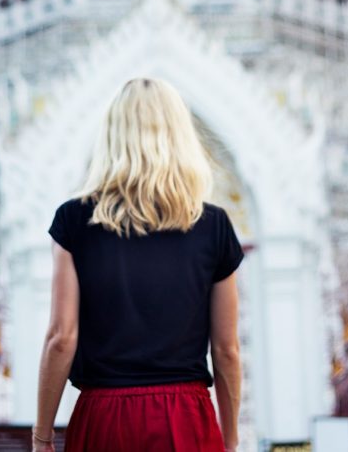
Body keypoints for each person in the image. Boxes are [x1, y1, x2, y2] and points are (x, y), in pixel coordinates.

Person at [33, 77, 244, 452]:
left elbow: (61, 337)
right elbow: (226, 349)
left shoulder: (74, 221)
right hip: (186, 416)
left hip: (103, 416)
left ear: (112, 136)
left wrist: (42, 437)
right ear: (180, 135)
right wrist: (230, 440)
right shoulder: (214, 226)